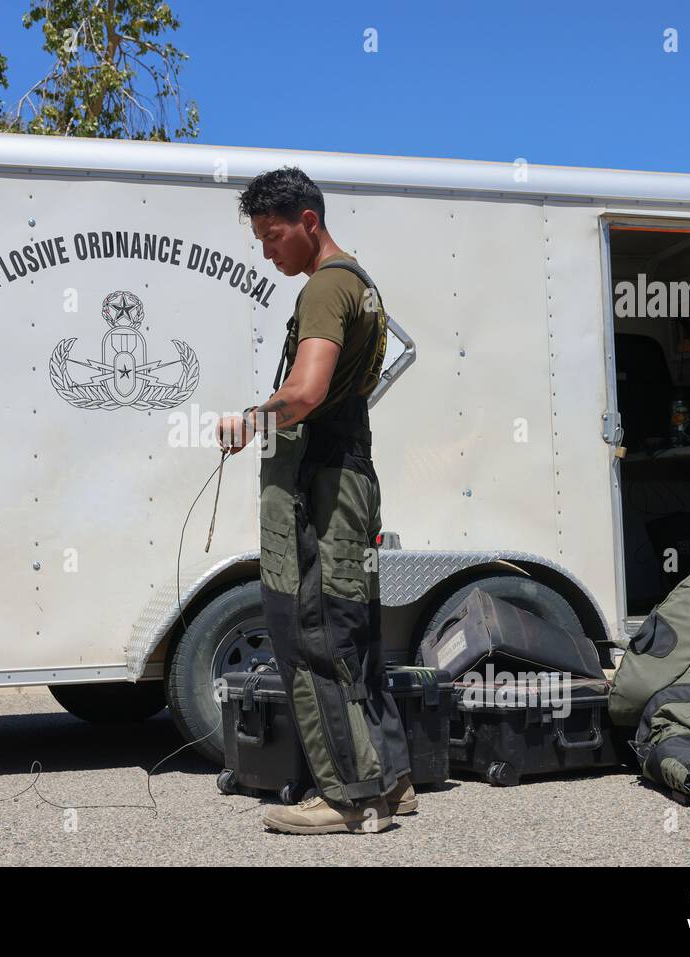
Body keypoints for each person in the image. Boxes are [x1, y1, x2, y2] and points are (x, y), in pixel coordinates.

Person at [218, 166, 414, 835]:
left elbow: (304, 392)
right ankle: (391, 781)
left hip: (321, 483)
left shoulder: (327, 288)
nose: (267, 252)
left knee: (310, 635)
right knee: (351, 636)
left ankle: (346, 797)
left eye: (273, 237)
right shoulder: (361, 285)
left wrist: (249, 418)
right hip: (351, 475)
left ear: (309, 222)